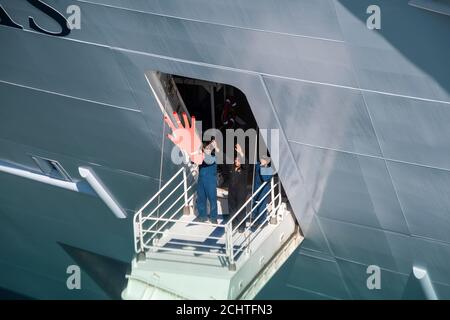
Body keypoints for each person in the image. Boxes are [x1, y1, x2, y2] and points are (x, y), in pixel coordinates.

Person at [196, 139, 219, 224]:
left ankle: (213, 217)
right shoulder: (202, 155)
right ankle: (202, 216)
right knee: (201, 198)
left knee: (212, 199)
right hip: (201, 180)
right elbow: (193, 160)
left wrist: (212, 147)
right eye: (206, 147)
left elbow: (208, 161)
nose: (207, 148)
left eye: (209, 147)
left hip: (210, 181)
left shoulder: (213, 156)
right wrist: (196, 153)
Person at [227, 144, 248, 232]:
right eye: (236, 159)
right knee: (232, 209)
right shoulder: (232, 168)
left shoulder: (244, 169)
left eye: (239, 160)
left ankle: (242, 226)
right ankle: (234, 225)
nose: (236, 161)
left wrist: (240, 152)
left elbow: (246, 163)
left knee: (241, 209)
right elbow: (224, 159)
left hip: (241, 193)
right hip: (232, 192)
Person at [251, 155, 273, 227]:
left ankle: (262, 221)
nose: (262, 161)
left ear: (267, 162)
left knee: (262, 205)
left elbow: (265, 178)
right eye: (261, 159)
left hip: (263, 190)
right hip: (256, 189)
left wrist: (263, 167)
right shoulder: (258, 166)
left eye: (263, 160)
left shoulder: (269, 170)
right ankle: (254, 220)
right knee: (254, 205)